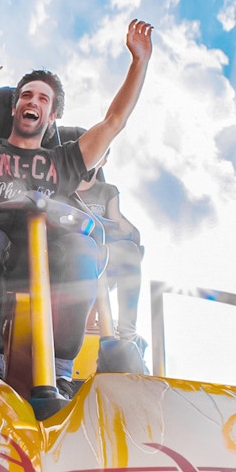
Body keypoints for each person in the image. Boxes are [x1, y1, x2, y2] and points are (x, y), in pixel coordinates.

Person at [0, 10, 152, 395]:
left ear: (51, 115)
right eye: (25, 96)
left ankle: (60, 370)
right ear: (16, 107)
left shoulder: (65, 160)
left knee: (84, 245)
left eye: (42, 98)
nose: (31, 101)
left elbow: (114, 121)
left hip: (50, 261)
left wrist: (139, 62)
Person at [76, 152, 148, 362]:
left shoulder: (107, 191)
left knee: (128, 251)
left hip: (102, 250)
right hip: (74, 248)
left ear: (104, 161)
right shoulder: (66, 185)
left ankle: (128, 332)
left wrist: (130, 232)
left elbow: (116, 219)